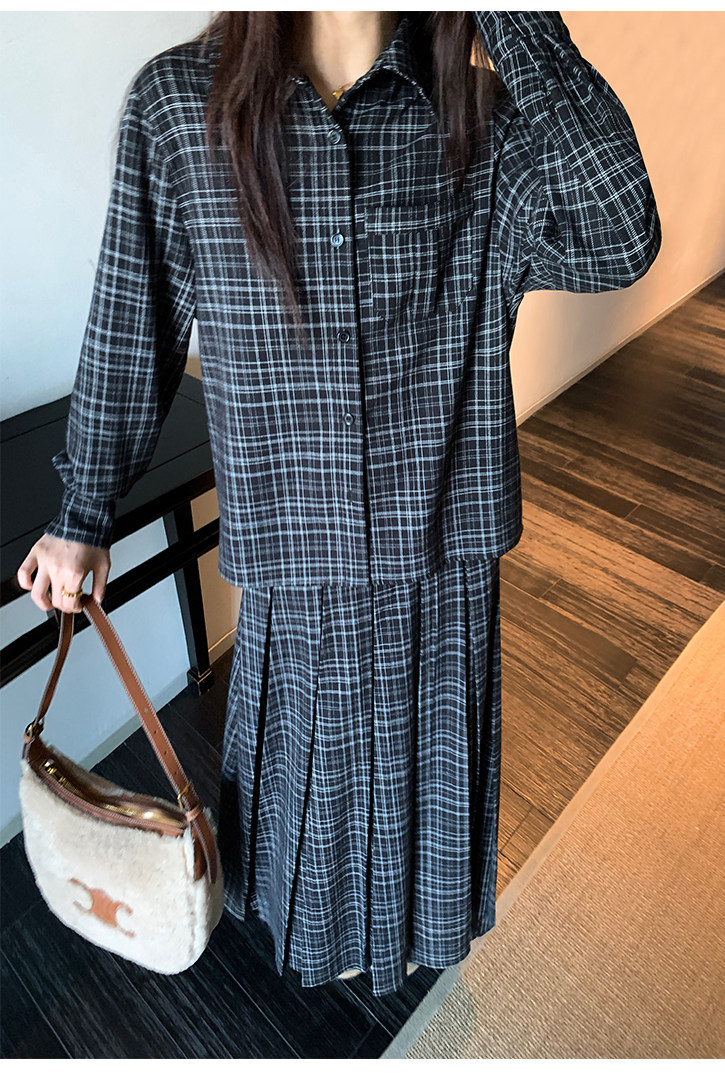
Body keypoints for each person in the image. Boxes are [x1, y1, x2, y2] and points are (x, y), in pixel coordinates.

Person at [16, 11, 661, 996]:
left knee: (428, 779)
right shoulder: (182, 108)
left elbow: (619, 234)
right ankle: (323, 947)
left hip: (443, 537)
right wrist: (84, 511)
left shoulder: (483, 115)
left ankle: (415, 934)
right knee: (304, 796)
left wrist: (517, 21)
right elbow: (131, 324)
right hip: (292, 545)